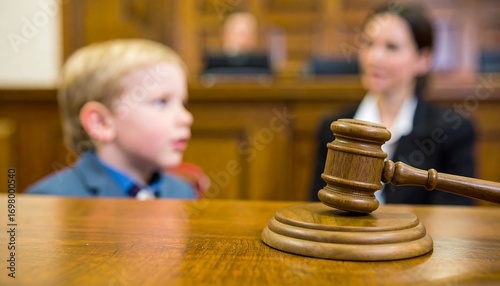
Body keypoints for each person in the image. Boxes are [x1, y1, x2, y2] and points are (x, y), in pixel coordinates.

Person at [311, 3, 476, 205]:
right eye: (369, 44)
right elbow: (317, 209)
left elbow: (456, 219)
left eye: (392, 47)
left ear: (423, 59)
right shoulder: (334, 128)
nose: (374, 58)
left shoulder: (452, 131)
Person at [26, 39, 196, 200]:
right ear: (101, 123)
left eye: (183, 103)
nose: (187, 118)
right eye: (161, 102)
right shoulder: (52, 199)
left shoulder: (183, 192)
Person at [202, 10, 272, 76]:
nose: (246, 39)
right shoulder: (213, 62)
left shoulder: (262, 63)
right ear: (226, 34)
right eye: (242, 34)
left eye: (250, 33)